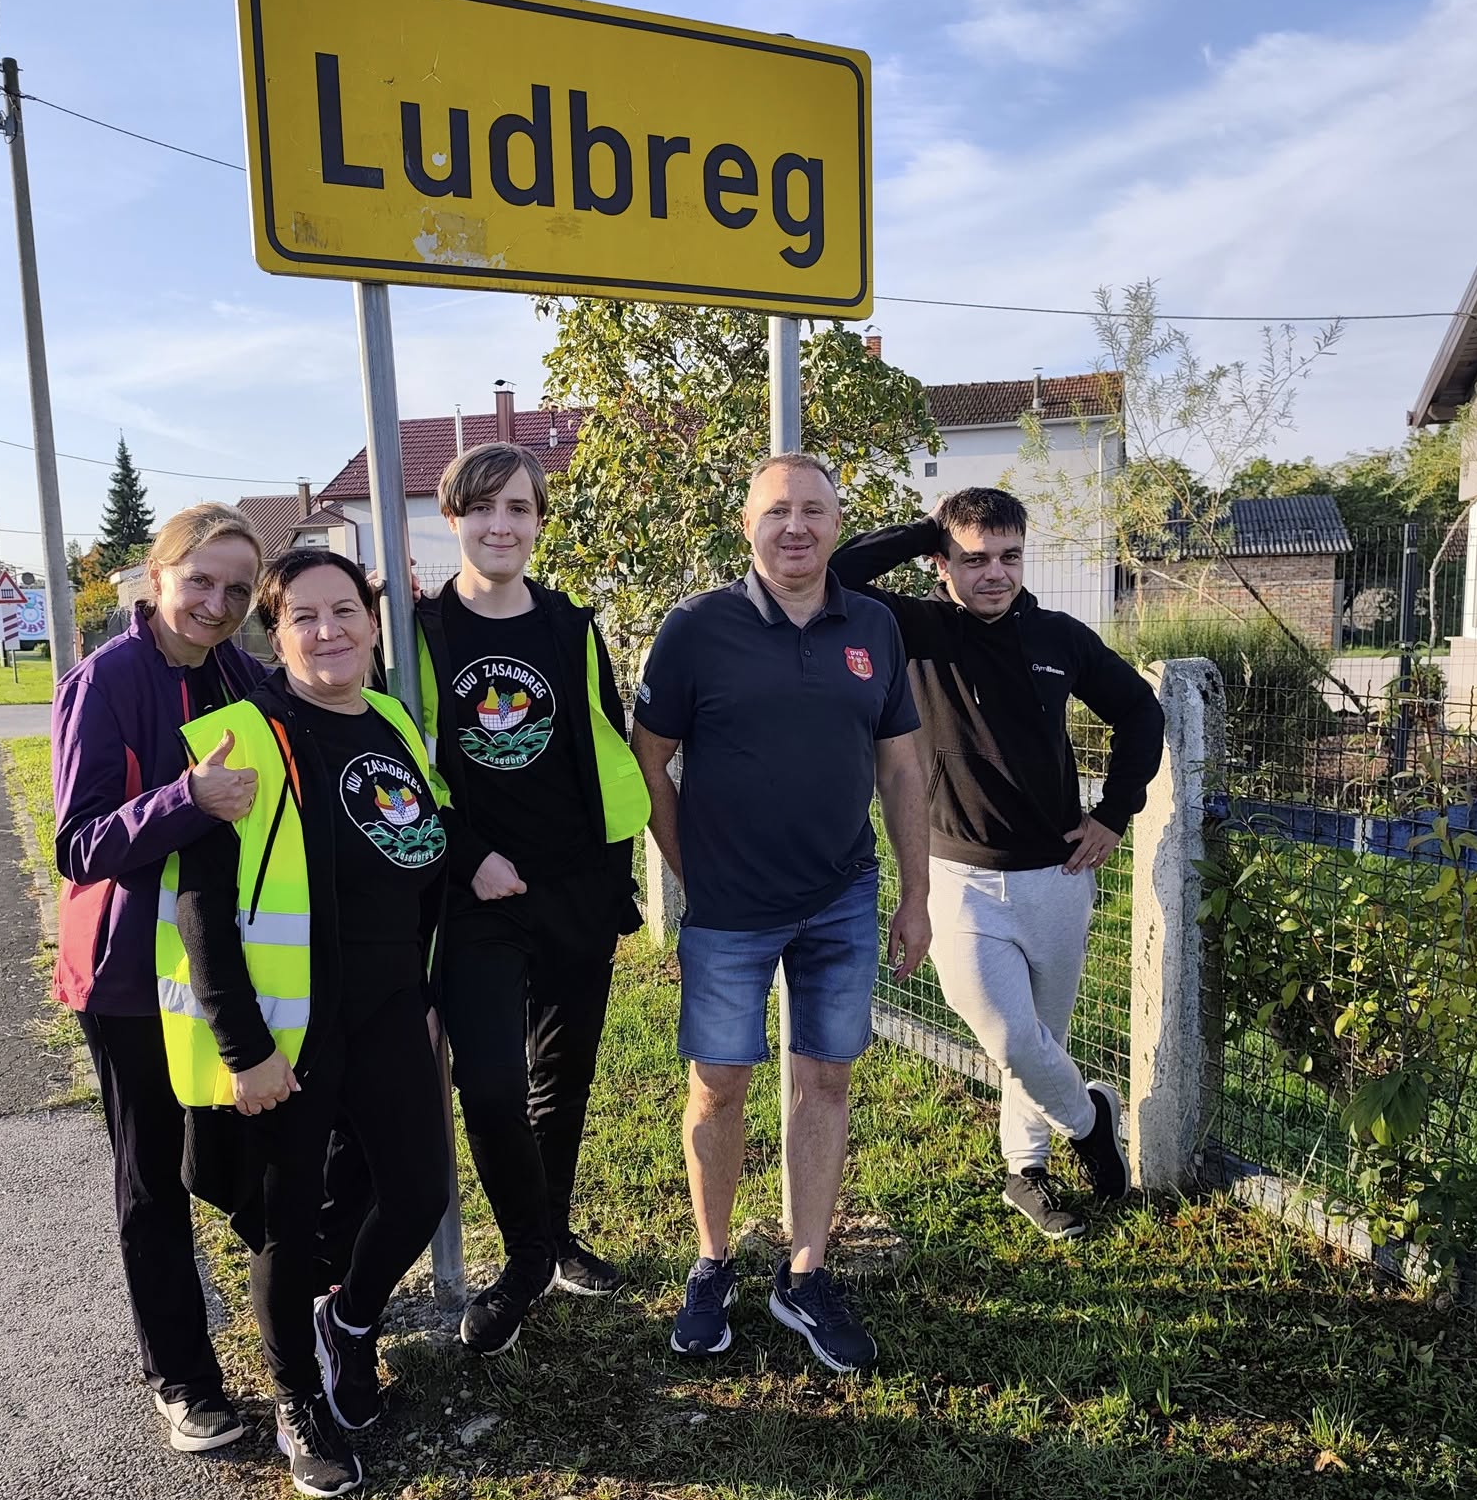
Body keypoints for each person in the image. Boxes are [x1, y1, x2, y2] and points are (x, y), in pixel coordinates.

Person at [161, 549, 451, 1500]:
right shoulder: (240, 734)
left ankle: (351, 1327)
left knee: (415, 1193)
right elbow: (199, 906)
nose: (328, 632)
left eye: (344, 611)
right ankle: (297, 1401)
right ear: (273, 635)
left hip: (390, 1008)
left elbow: (421, 853)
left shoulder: (394, 719)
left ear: (373, 621)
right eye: (303, 618)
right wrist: (245, 1050)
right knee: (288, 1226)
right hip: (290, 1031)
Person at [631, 453, 929, 1374]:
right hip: (729, 913)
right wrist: (696, 874)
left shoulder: (873, 626)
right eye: (777, 512)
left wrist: (916, 894)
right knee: (717, 1086)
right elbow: (649, 762)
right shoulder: (695, 629)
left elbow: (903, 767)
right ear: (747, 527)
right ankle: (713, 1263)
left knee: (826, 1082)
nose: (795, 527)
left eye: (813, 511)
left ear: (838, 524)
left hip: (842, 898)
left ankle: (804, 1273)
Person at [831, 487, 1164, 1240]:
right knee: (1010, 1039)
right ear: (942, 564)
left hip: (1059, 876)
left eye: (1009, 556)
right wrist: (925, 530)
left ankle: (1028, 1171)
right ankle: (1089, 1122)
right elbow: (838, 575)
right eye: (973, 558)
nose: (994, 574)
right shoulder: (914, 625)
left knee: (1042, 1039)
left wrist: (1115, 813)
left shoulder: (1060, 637)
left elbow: (1142, 711)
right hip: (959, 877)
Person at [411, 441, 650, 1356]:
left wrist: (613, 875)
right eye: (483, 509)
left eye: (518, 509)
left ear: (540, 522)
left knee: (565, 1076)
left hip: (577, 889)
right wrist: (469, 857)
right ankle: (522, 1257)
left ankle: (548, 1241)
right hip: (477, 895)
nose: (501, 525)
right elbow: (407, 763)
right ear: (455, 519)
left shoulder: (571, 626)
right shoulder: (425, 635)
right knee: (492, 1084)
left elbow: (606, 749)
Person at [52, 502, 266, 1454]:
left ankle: (297, 1328)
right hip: (131, 974)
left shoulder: (236, 673)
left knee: (227, 1158)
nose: (215, 604)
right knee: (151, 1178)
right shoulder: (104, 683)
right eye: (200, 582)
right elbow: (77, 843)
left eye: (235, 589)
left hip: (225, 965)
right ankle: (182, 1377)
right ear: (156, 576)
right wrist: (186, 799)